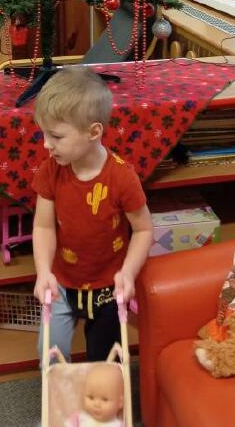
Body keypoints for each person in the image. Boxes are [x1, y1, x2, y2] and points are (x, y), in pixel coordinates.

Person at [32, 66, 153, 362]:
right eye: (44, 134)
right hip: (61, 284)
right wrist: (43, 271)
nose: (46, 144)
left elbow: (143, 230)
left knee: (106, 365)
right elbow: (44, 227)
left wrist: (128, 272)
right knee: (50, 356)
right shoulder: (50, 171)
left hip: (109, 288)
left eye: (56, 136)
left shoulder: (122, 177)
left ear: (93, 132)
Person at [65, 362, 125, 426]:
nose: (96, 404)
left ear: (120, 403)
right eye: (91, 397)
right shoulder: (77, 419)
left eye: (105, 399)